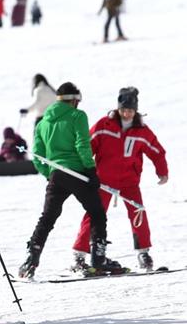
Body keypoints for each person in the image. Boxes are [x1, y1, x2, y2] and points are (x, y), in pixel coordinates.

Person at [18, 82, 124, 279]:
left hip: (56, 175)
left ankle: (31, 258)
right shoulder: (77, 116)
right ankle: (98, 259)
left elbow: (38, 155)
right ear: (74, 100)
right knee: (97, 213)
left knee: (48, 217)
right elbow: (82, 144)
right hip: (77, 172)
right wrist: (91, 170)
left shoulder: (42, 123)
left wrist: (49, 174)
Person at [71, 87, 168, 272]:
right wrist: (82, 168)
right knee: (94, 214)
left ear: (135, 110)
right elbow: (86, 146)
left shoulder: (141, 130)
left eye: (130, 110)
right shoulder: (104, 125)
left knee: (138, 212)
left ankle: (143, 252)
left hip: (129, 182)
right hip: (104, 180)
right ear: (118, 108)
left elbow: (157, 151)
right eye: (123, 109)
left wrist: (162, 171)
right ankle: (79, 255)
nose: (126, 113)